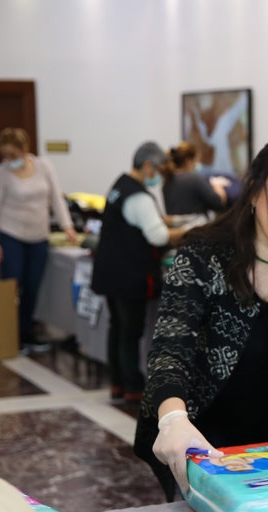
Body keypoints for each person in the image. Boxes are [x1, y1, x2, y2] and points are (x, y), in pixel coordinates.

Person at [133, 138, 268, 501]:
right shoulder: (203, 254)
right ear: (254, 193)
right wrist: (173, 418)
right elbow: (172, 347)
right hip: (195, 427)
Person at [91, 142, 186, 405]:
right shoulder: (139, 197)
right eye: (159, 170)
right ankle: (133, 385)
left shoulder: (120, 186)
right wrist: (189, 233)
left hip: (110, 270)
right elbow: (157, 236)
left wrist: (173, 221)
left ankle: (117, 383)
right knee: (130, 331)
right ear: (148, 166)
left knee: (117, 326)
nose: (160, 176)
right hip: (129, 274)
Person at [0, 127, 78, 353]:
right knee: (13, 285)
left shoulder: (44, 167)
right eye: (4, 155)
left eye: (13, 155)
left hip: (39, 236)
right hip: (11, 235)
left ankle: (26, 331)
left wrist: (68, 226)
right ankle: (8, 333)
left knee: (33, 285)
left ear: (25, 149)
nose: (9, 160)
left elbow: (56, 197)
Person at [162, 141, 230, 218]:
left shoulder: (167, 182)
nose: (197, 164)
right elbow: (218, 202)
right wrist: (218, 185)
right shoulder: (194, 180)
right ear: (188, 161)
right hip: (196, 227)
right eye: (196, 160)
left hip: (176, 229)